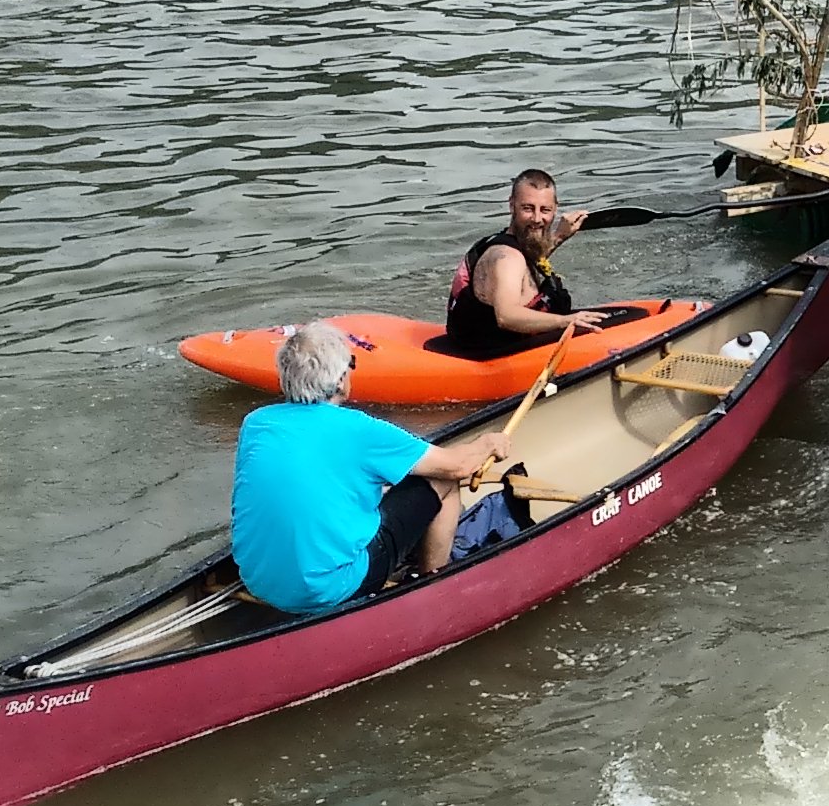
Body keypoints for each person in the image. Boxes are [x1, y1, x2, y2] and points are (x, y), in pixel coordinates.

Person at [231, 322, 513, 606]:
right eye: (351, 364)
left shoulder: (256, 423)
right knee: (443, 481)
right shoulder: (359, 429)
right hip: (332, 587)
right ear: (340, 380)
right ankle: (433, 588)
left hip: (257, 579)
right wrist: (488, 444)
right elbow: (457, 466)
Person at [444, 169, 586, 358]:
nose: (537, 219)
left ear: (555, 209)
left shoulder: (510, 243)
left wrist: (559, 236)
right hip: (489, 359)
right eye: (527, 208)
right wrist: (567, 321)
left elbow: (529, 263)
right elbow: (506, 316)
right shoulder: (506, 258)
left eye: (545, 210)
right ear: (512, 206)